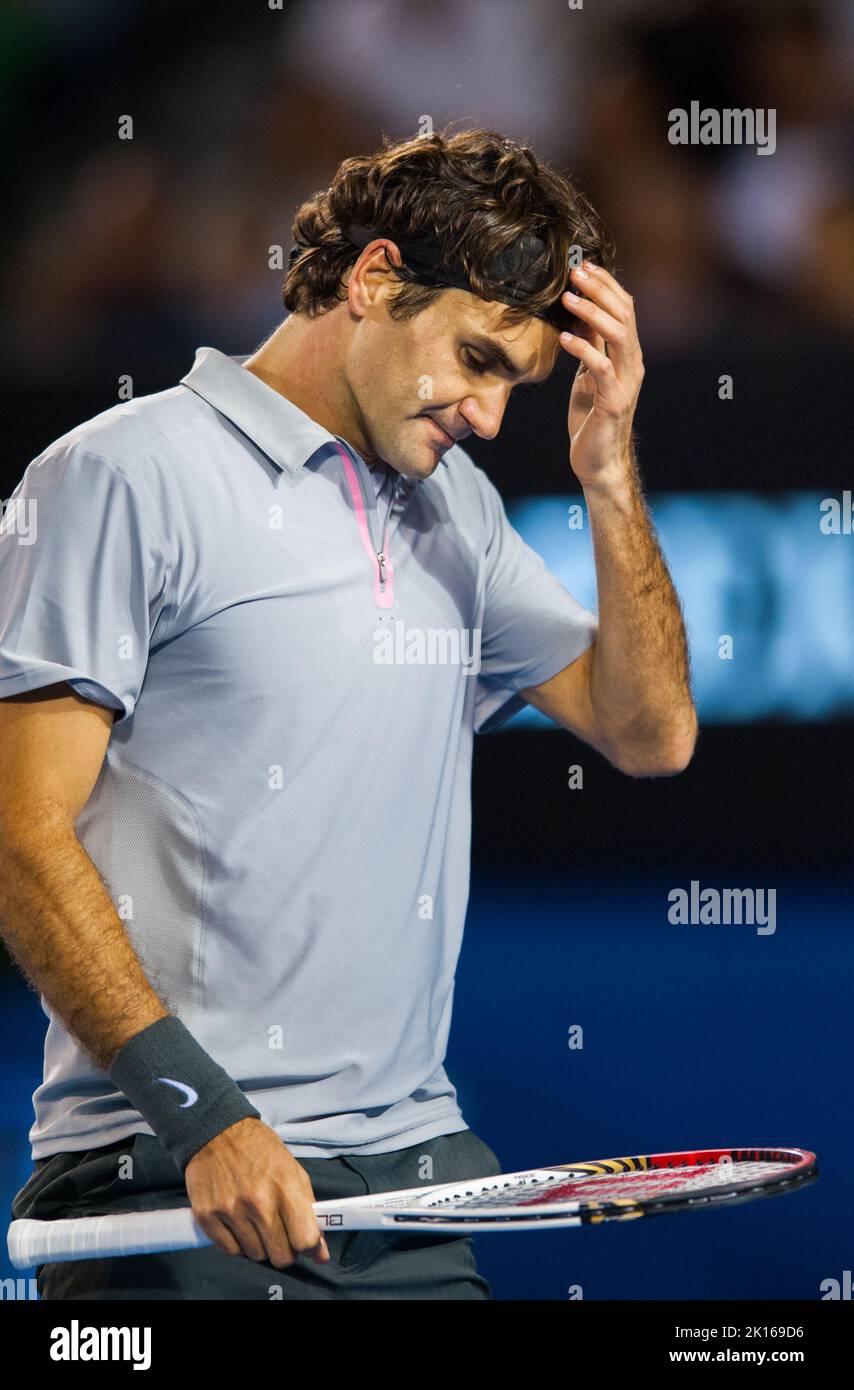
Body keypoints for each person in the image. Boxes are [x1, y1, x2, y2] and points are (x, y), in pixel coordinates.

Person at [0, 129, 697, 1300]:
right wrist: (201, 1112)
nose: (485, 413)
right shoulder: (119, 474)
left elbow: (650, 733)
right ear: (373, 280)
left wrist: (609, 470)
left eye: (513, 385)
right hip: (174, 1176)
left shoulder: (455, 511)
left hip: (413, 1183)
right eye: (475, 358)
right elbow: (23, 834)